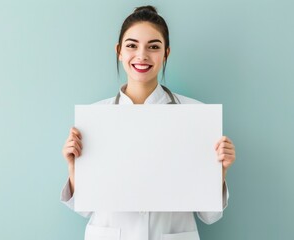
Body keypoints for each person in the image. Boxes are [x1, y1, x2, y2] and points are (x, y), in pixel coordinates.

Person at [61, 5, 236, 240]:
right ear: (119, 51)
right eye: (132, 45)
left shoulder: (196, 115)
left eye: (153, 47)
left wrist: (220, 171)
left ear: (166, 53)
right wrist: (74, 169)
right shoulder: (95, 117)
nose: (142, 55)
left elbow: (209, 215)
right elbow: (84, 208)